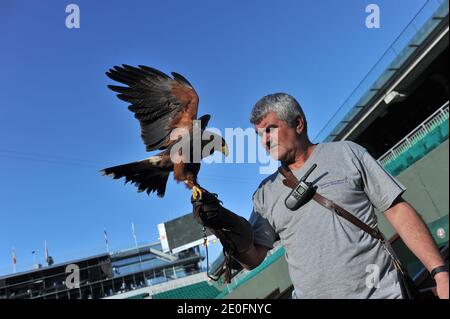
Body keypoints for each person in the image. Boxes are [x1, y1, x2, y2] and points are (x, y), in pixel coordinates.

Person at [192, 93, 449, 299]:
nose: (264, 140)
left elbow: (398, 210)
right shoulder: (265, 193)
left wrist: (439, 273)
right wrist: (223, 227)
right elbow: (253, 257)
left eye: (270, 129)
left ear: (299, 124)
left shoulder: (347, 154)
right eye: (259, 134)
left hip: (381, 292)